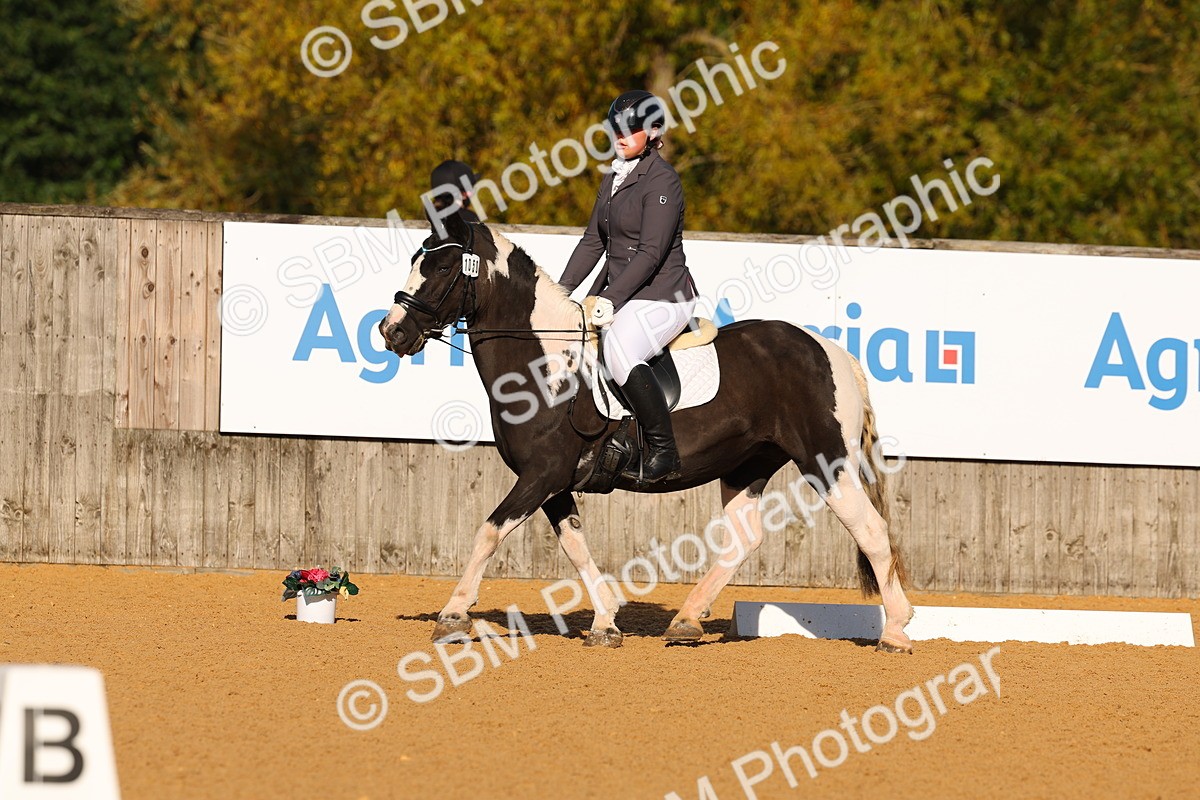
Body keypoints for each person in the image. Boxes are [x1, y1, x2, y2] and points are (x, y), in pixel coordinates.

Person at [558, 90, 698, 483]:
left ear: (654, 131)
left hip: (664, 295)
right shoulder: (614, 177)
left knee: (619, 348)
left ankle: (664, 450)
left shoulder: (662, 181)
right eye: (615, 128)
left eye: (631, 129)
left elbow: (651, 254)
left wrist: (608, 298)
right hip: (623, 292)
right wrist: (559, 293)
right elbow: (593, 242)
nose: (621, 136)